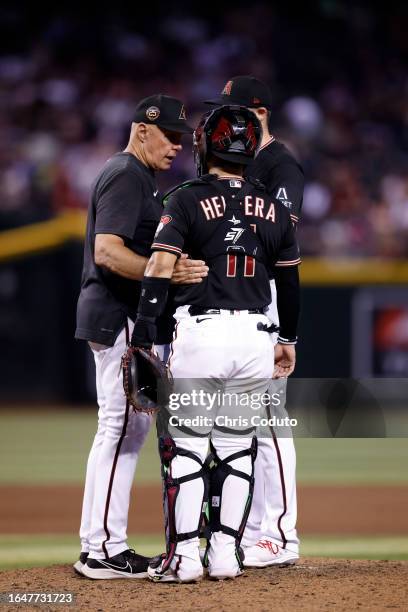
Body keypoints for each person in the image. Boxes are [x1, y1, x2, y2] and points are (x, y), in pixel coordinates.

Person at [130, 104, 301, 582]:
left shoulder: (185, 198)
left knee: (185, 450)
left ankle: (184, 558)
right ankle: (225, 555)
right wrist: (287, 339)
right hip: (255, 341)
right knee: (236, 448)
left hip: (202, 336)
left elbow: (160, 269)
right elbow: (289, 287)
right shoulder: (275, 209)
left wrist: (143, 335)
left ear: (207, 145)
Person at [74, 94, 208, 580]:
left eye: (180, 137)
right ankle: (103, 548)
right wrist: (166, 274)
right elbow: (108, 252)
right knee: (120, 428)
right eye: (169, 135)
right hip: (117, 316)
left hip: (117, 316)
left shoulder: (140, 177)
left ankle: (100, 543)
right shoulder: (128, 174)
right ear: (142, 129)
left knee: (125, 428)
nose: (176, 145)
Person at [205, 75, 304, 567]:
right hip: (236, 299)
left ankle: (280, 536)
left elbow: (281, 237)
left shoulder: (279, 163)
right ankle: (258, 529)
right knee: (240, 424)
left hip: (261, 297)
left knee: (267, 421)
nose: (226, 120)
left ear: (258, 115)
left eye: (235, 112)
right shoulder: (243, 163)